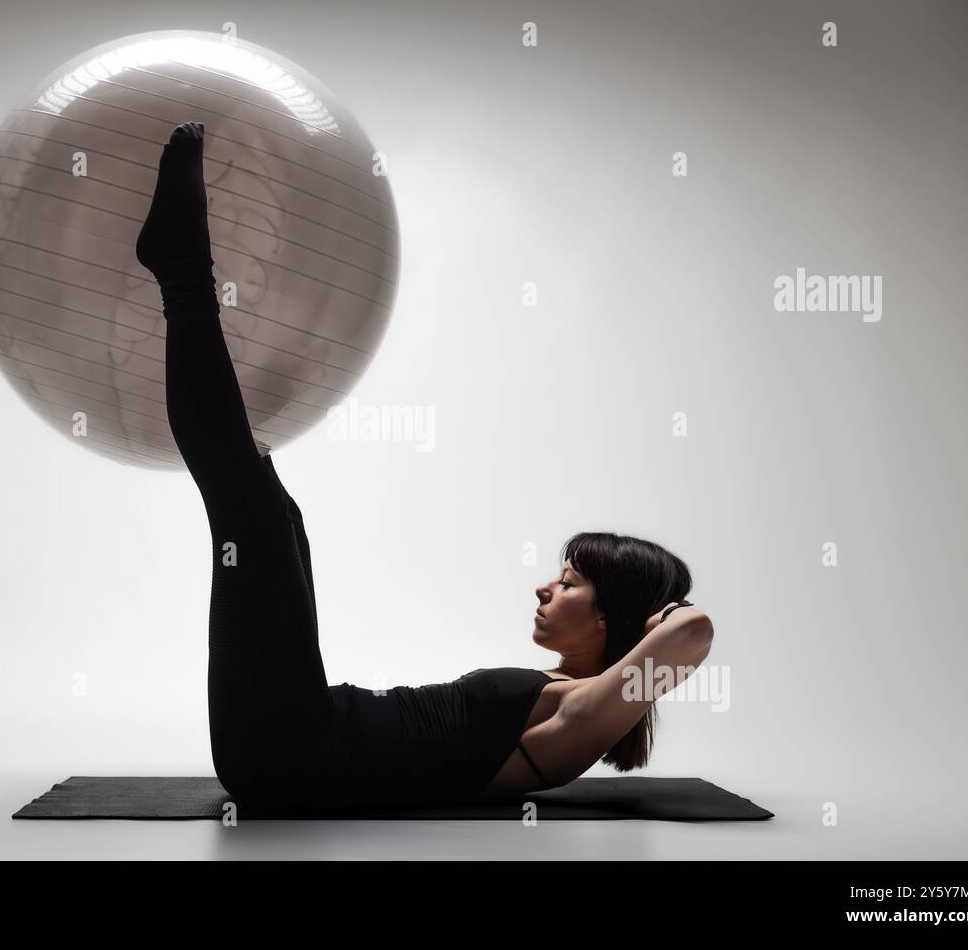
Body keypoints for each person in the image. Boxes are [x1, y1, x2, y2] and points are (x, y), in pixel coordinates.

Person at [137, 121, 715, 812]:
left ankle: (181, 271)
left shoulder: (578, 726)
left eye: (571, 582)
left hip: (287, 750)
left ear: (611, 617)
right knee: (276, 516)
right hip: (301, 725)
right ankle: (182, 275)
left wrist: (664, 614)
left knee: (249, 513)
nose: (544, 589)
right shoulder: (565, 699)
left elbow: (694, 634)